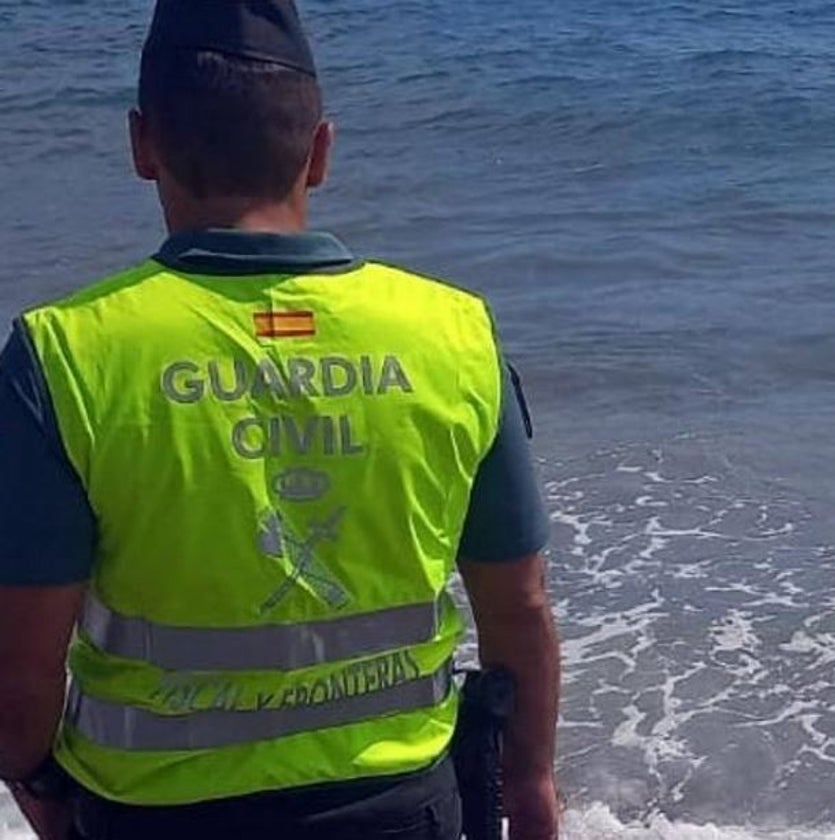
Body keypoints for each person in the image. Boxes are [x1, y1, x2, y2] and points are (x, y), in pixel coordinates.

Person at [0, 1, 560, 838]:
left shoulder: (66, 355)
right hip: (405, 808)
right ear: (321, 151)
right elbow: (519, 608)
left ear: (142, 146)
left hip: (151, 816)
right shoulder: (453, 335)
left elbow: (21, 664)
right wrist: (530, 788)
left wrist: (40, 787)